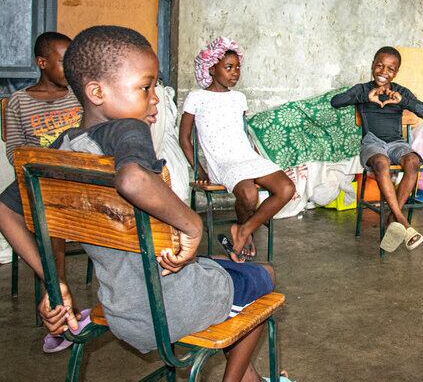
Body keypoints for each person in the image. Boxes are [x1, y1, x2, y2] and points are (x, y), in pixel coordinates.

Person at [45, 25, 285, 382]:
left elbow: (6, 210)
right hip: (170, 307)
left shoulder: (61, 150)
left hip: (118, 309)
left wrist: (55, 286)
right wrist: (194, 224)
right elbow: (132, 180)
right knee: (263, 276)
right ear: (97, 92)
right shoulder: (129, 132)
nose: (155, 97)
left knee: (219, 265)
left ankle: (249, 378)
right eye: (146, 87)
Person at [0, 31, 88, 352]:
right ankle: (61, 300)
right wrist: (42, 162)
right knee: (43, 213)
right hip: (39, 177)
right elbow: (15, 153)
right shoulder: (19, 102)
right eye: (65, 61)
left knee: (52, 216)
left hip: (75, 178)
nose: (72, 67)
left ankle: (57, 300)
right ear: (42, 63)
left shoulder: (79, 96)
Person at [179, 37, 294, 263]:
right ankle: (244, 232)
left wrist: (258, 158)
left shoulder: (239, 98)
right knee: (249, 195)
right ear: (212, 69)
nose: (235, 73)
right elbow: (184, 138)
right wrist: (200, 172)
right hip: (223, 161)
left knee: (286, 188)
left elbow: (241, 134)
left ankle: (243, 230)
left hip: (246, 156)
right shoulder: (197, 97)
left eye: (238, 67)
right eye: (228, 67)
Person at [330, 46, 423, 252]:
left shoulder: (401, 92)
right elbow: (336, 101)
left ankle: (393, 221)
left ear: (396, 72)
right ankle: (403, 222)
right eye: (379, 65)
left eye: (390, 69)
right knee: (381, 162)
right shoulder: (362, 89)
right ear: (372, 66)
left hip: (397, 143)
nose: (384, 72)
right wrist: (365, 97)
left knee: (413, 161)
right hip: (372, 142)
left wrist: (403, 101)